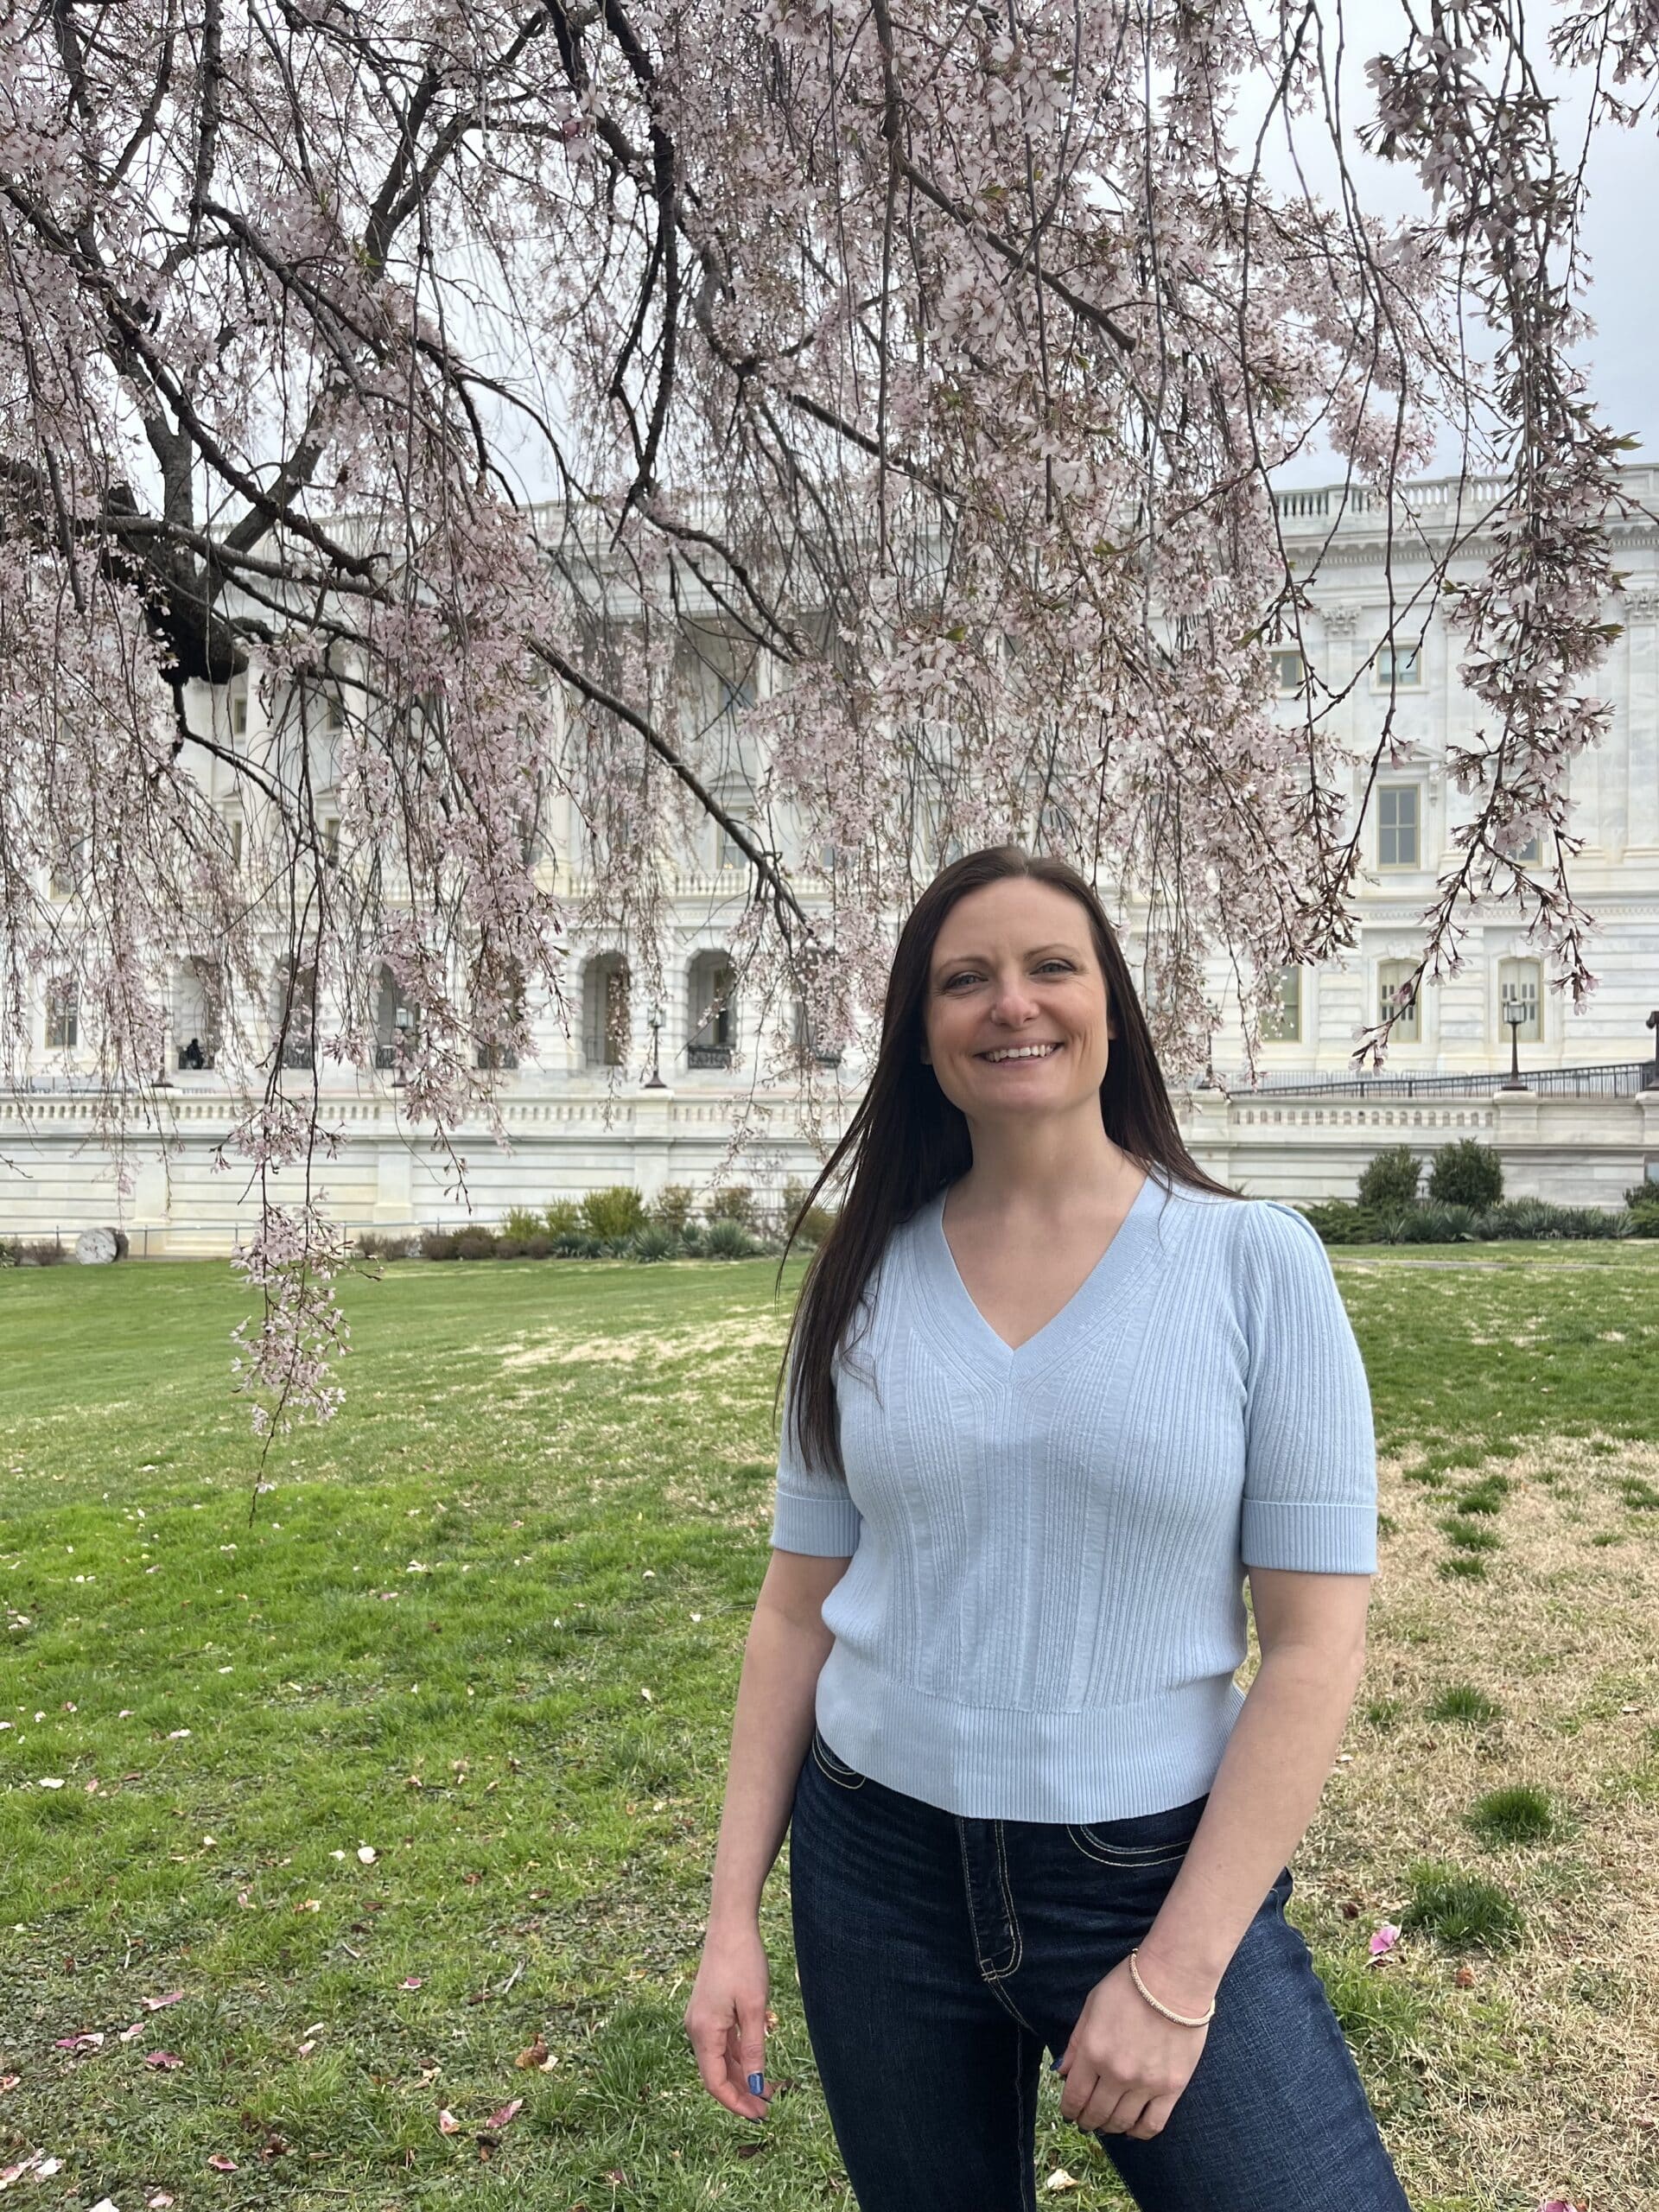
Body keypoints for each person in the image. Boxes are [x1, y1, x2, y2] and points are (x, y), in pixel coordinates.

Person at [683, 845, 1410, 2211]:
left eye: (1049, 968)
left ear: (1112, 1010)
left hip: (1146, 1870)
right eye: (965, 981)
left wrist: (1178, 1977)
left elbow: (1316, 1648)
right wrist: (730, 1921)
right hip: (874, 1866)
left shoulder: (1256, 1267)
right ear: (922, 1036)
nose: (1011, 1004)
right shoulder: (859, 1280)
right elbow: (793, 1611)